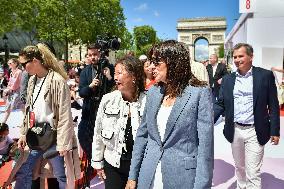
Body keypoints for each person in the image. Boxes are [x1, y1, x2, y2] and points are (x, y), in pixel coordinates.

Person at [126, 40, 214, 189]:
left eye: (157, 62)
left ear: (174, 62)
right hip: (149, 176)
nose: (151, 66)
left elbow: (205, 148)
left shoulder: (199, 93)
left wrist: (202, 186)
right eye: (151, 61)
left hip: (183, 178)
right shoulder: (153, 92)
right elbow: (143, 135)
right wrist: (132, 175)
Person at [13, 43, 80, 189]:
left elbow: (64, 114)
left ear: (35, 61)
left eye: (24, 64)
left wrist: (62, 143)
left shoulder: (57, 80)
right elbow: (29, 109)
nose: (23, 68)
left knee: (61, 176)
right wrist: (24, 133)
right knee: (26, 170)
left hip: (54, 138)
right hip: (35, 135)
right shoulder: (32, 80)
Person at [214, 43, 280, 189]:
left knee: (253, 171)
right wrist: (207, 120)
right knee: (239, 167)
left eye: (241, 56)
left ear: (251, 56)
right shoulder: (227, 79)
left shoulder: (265, 76)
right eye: (235, 57)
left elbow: (273, 105)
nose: (237, 59)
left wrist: (275, 130)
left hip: (256, 130)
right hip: (235, 129)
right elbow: (220, 104)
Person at [91, 56, 146, 189]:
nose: (115, 77)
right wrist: (98, 163)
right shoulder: (108, 99)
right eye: (115, 73)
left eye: (120, 73)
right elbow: (98, 133)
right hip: (113, 164)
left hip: (141, 167)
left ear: (134, 76)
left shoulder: (148, 100)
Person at [78, 43, 115, 186]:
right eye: (90, 55)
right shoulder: (85, 71)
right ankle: (95, 161)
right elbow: (81, 92)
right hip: (89, 112)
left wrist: (110, 77)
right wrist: (91, 86)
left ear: (100, 54)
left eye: (95, 54)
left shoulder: (110, 68)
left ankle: (104, 166)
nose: (93, 57)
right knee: (83, 135)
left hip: (106, 113)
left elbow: (116, 88)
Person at [2, 58, 23, 123]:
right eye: (8, 63)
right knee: (7, 108)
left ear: (16, 63)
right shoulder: (11, 71)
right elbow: (10, 82)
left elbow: (17, 83)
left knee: (22, 108)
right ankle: (3, 123)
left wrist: (9, 89)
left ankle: (26, 122)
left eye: (10, 63)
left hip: (17, 92)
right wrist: (7, 89)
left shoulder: (19, 72)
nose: (9, 64)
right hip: (11, 92)